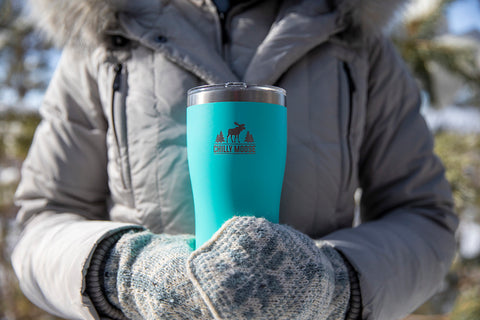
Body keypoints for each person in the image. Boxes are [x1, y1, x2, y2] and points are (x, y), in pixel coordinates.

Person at [12, 0, 458, 319]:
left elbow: (423, 216)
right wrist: (126, 274)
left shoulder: (356, 41)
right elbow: (42, 221)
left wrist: (337, 284)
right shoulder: (105, 34)